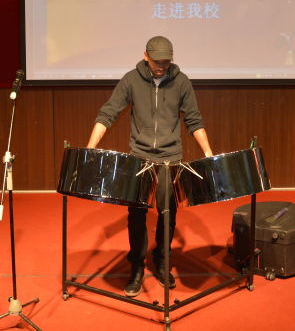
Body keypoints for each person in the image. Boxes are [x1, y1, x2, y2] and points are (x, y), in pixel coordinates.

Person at [86, 36, 213, 297]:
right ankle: (136, 267)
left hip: (170, 157)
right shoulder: (131, 80)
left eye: (166, 62)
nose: (161, 67)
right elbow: (107, 113)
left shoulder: (182, 82)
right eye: (157, 62)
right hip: (140, 157)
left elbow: (194, 120)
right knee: (136, 215)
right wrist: (90, 147)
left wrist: (208, 153)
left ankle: (163, 260)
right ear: (146, 56)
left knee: (168, 213)